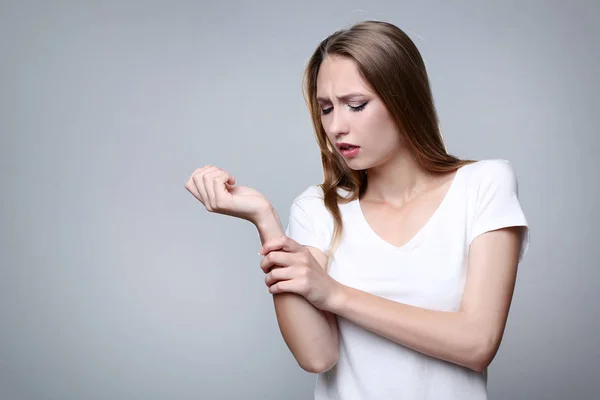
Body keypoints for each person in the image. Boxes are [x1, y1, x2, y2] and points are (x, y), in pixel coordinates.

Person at [185, 20, 529, 400]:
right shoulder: (317, 209)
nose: (336, 126)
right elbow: (317, 356)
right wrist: (265, 221)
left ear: (404, 99)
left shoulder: (483, 185)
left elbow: (476, 344)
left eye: (356, 105)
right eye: (326, 108)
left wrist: (334, 294)